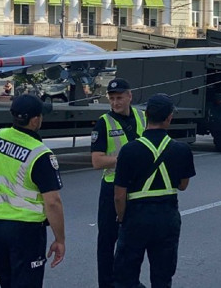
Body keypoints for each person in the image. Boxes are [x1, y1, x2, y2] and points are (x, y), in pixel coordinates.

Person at [0, 95, 65, 287]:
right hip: (26, 230)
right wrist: (60, 239)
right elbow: (53, 201)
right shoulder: (40, 154)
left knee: (6, 280)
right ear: (34, 120)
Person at [113, 93, 196, 288]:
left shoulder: (129, 150)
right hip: (167, 216)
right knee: (162, 277)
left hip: (136, 216)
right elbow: (183, 186)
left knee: (125, 275)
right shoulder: (182, 149)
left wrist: (122, 217)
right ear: (169, 118)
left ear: (146, 115)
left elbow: (119, 194)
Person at [90, 78, 146, 288]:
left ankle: (128, 281)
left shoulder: (142, 117)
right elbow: (97, 161)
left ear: (130, 96)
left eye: (119, 98)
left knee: (133, 240)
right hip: (112, 187)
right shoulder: (103, 122)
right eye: (112, 99)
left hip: (137, 187)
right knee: (107, 239)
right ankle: (106, 283)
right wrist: (125, 159)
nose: (116, 103)